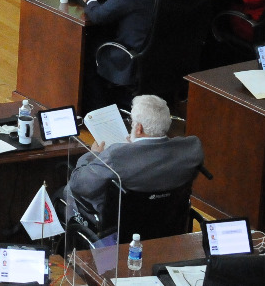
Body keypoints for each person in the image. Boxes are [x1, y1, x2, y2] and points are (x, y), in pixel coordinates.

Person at [65, 94, 204, 222]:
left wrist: (93, 155)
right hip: (170, 221)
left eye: (132, 122)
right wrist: (137, 148)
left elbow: (79, 184)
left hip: (123, 225)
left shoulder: (115, 156)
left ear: (139, 129)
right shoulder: (191, 148)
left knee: (68, 190)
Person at [81, 0, 187, 97]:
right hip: (171, 57)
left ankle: (100, 105)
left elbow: (98, 16)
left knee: (88, 47)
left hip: (136, 58)